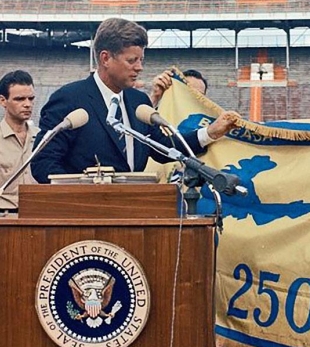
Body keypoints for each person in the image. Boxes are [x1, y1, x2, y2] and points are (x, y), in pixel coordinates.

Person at [31, 18, 235, 184]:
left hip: (133, 212)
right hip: (84, 218)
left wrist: (210, 132)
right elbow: (43, 162)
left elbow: (162, 148)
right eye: (132, 60)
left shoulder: (138, 101)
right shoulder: (69, 99)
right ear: (105, 59)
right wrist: (80, 192)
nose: (139, 68)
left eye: (141, 60)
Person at [0, 70, 39, 212]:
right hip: (5, 218)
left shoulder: (43, 138)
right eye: (19, 99)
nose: (27, 104)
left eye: (31, 98)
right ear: (3, 101)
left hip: (39, 215)